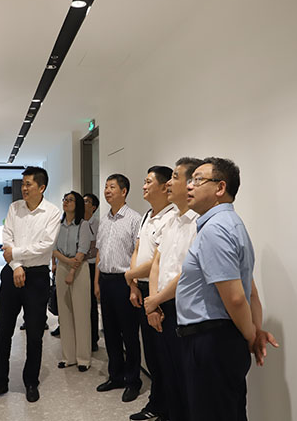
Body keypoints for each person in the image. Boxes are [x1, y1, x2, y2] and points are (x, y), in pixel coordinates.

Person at [175, 157, 279, 419]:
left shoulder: (216, 230)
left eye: (198, 179)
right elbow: (250, 291)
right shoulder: (231, 224)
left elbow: (236, 298)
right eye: (190, 180)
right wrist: (253, 330)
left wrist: (251, 336)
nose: (190, 185)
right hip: (221, 340)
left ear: (220, 187)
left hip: (212, 342)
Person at [0, 166, 61, 403]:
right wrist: (16, 265)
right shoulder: (14, 208)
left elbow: (46, 245)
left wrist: (16, 253)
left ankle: (31, 382)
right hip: (11, 274)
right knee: (3, 332)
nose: (24, 188)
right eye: (23, 183)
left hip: (37, 278)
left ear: (41, 187)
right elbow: (7, 239)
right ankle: (0, 381)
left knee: (35, 334)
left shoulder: (52, 212)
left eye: (29, 184)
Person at [143, 157, 203, 421]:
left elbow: (188, 272)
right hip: (162, 304)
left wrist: (156, 299)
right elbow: (157, 262)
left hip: (183, 309)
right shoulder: (171, 221)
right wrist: (153, 302)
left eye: (175, 177)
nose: (169, 183)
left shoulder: (199, 223)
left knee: (186, 379)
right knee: (168, 373)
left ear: (190, 184)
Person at [124, 166, 176, 421]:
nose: (143, 186)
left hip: (160, 293)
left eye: (148, 182)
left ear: (165, 186)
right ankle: (156, 404)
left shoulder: (171, 218)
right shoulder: (147, 215)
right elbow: (137, 250)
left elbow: (158, 261)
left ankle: (168, 408)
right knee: (152, 355)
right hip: (142, 288)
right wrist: (133, 283)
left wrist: (130, 275)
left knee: (165, 357)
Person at [94, 174, 143, 402]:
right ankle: (116, 376)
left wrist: (133, 286)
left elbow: (138, 255)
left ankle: (133, 381)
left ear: (124, 191)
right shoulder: (103, 220)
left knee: (129, 334)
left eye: (112, 187)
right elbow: (99, 252)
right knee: (110, 332)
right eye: (106, 187)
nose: (107, 191)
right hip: (105, 281)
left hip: (125, 282)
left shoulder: (134, 219)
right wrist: (97, 282)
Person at [51, 191, 93, 371]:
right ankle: (68, 357)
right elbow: (53, 248)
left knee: (81, 313)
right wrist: (66, 263)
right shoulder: (58, 225)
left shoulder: (83, 225)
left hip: (80, 269)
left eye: (70, 200)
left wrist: (72, 270)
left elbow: (82, 249)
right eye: (65, 199)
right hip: (63, 267)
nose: (66, 202)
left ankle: (83, 358)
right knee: (65, 312)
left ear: (77, 205)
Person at [83, 192, 100, 351]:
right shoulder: (78, 221)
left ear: (93, 207)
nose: (83, 203)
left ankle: (93, 338)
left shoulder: (97, 223)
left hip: (92, 267)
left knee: (91, 304)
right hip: (78, 266)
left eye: (87, 201)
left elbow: (97, 248)